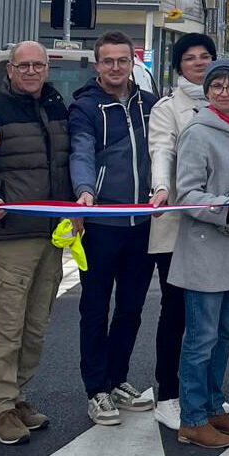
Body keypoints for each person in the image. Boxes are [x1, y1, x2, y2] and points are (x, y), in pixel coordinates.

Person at [0, 40, 71, 446]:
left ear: (47, 68)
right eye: (23, 66)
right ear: (9, 70)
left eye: (38, 65)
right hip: (11, 235)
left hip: (51, 234)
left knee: (36, 325)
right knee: (7, 327)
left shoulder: (56, 107)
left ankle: (20, 395)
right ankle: (0, 408)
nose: (31, 72)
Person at [168, 59, 229, 449]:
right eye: (217, 86)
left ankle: (212, 406)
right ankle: (192, 418)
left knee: (223, 336)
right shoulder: (196, 131)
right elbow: (187, 193)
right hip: (207, 252)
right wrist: (223, 208)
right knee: (201, 339)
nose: (225, 92)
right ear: (207, 91)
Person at [69, 30, 161, 427]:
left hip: (142, 223)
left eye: (122, 61)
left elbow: (163, 150)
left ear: (132, 63)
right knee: (94, 307)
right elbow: (81, 151)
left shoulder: (151, 105)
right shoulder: (86, 107)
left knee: (131, 308)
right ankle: (97, 389)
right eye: (108, 61)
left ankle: (119, 378)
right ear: (97, 64)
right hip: (102, 223)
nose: (116, 68)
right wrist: (85, 190)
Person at [147, 32, 221, 431]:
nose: (199, 62)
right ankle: (169, 394)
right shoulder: (167, 108)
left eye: (205, 56)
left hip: (219, 227)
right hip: (178, 223)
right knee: (176, 311)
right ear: (178, 66)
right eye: (190, 57)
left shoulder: (228, 104)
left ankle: (205, 392)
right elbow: (162, 151)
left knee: (210, 317)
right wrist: (161, 188)